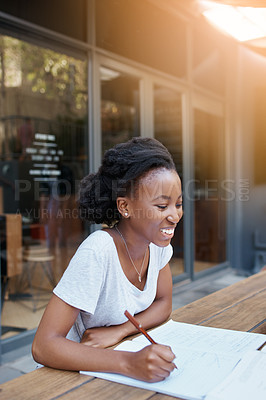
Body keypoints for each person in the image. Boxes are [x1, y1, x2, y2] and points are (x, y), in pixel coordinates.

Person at [32, 137, 183, 383]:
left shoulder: (155, 244)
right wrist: (129, 363)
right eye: (162, 205)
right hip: (65, 379)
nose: (174, 216)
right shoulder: (98, 252)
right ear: (125, 207)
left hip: (109, 368)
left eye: (178, 204)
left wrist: (120, 331)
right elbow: (43, 346)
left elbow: (164, 303)